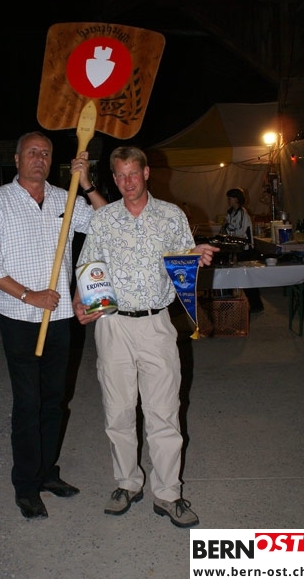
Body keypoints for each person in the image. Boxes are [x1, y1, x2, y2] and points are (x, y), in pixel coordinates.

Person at [72, 145, 219, 528]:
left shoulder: (171, 216)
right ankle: (127, 483)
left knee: (163, 412)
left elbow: (182, 264)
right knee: (118, 411)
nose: (127, 182)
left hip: (156, 325)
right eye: (120, 175)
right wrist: (80, 299)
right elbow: (89, 264)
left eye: (133, 174)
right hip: (113, 325)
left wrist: (195, 255)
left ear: (147, 173)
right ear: (113, 178)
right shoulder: (104, 219)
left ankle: (168, 493)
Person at [0, 131, 106, 520]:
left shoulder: (66, 198)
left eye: (45, 153)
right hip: (19, 317)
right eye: (31, 152)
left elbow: (107, 222)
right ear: (17, 159)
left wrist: (86, 184)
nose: (39, 158)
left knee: (54, 399)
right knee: (28, 402)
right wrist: (29, 295)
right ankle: (26, 484)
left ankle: (47, 472)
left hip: (60, 318)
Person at [220, 187, 264, 313]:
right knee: (230, 275)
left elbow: (239, 232)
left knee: (246, 277)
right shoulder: (231, 213)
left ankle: (256, 304)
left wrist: (228, 228)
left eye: (230, 198)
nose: (228, 200)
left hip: (245, 250)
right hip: (235, 249)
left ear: (237, 199)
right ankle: (228, 302)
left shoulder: (242, 213)